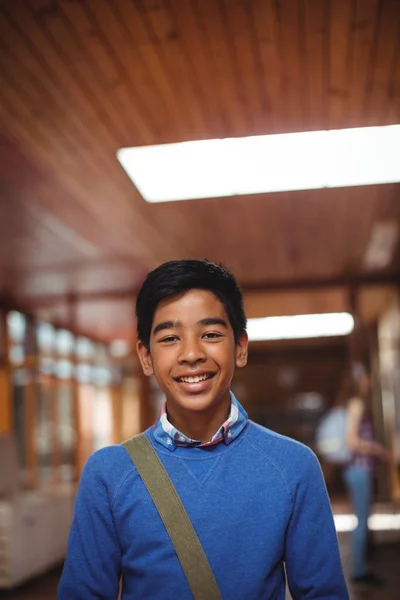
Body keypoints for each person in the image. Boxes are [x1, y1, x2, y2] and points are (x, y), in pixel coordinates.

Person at [58, 259, 348, 599]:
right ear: (146, 356)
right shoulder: (108, 475)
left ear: (240, 347)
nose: (192, 354)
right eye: (169, 338)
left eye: (210, 334)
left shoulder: (294, 466)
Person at [343, 363, 389, 589]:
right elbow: (351, 441)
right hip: (359, 470)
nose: (370, 382)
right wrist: (376, 449)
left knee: (364, 520)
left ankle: (362, 567)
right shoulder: (357, 404)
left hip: (361, 470)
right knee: (361, 521)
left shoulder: (359, 404)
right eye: (367, 378)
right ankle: (358, 571)